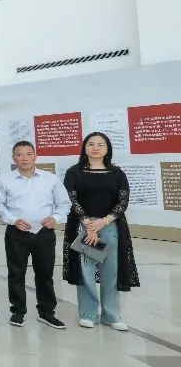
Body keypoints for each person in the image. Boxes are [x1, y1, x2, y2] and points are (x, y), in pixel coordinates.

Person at [63, 132, 139, 331]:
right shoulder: (74, 172)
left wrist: (104, 221)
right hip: (83, 226)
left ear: (107, 149)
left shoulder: (117, 173)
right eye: (91, 144)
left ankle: (111, 315)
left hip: (110, 225)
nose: (95, 148)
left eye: (100, 144)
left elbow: (123, 201)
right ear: (85, 147)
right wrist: (89, 224)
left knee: (111, 271)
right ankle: (87, 314)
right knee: (86, 271)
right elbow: (72, 199)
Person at [0, 141, 70, 329]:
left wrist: (55, 218)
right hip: (16, 232)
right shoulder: (5, 180)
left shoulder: (50, 179)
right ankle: (18, 311)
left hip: (44, 233)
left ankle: (47, 312)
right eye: (19, 154)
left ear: (35, 156)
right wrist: (13, 220)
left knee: (45, 273)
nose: (24, 158)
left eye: (28, 154)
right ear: (14, 158)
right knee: (16, 273)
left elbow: (64, 203)